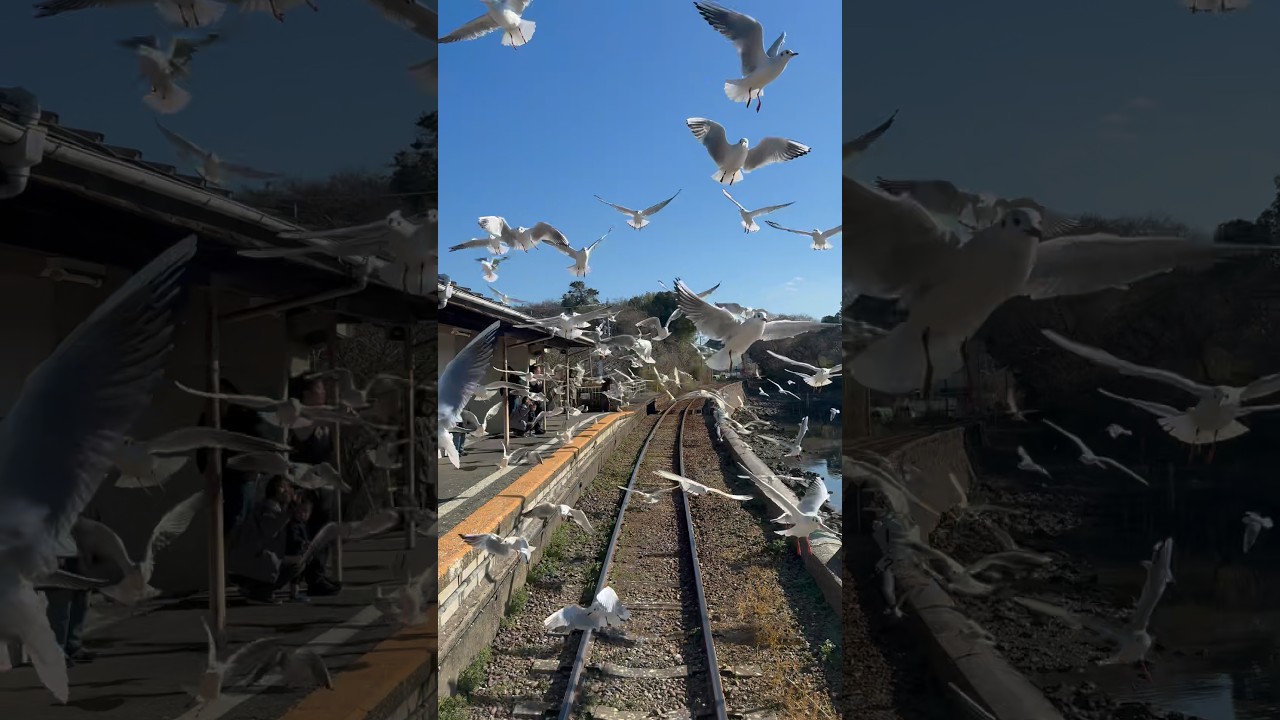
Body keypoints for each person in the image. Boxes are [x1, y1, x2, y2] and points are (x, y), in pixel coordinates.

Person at [285, 373, 342, 596]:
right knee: (306, 534)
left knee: (324, 531)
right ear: (307, 395)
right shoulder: (300, 417)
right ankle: (306, 578)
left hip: (322, 482)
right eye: (320, 391)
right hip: (304, 484)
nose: (324, 394)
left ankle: (317, 574)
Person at [196, 378, 269, 535]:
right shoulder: (210, 419)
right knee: (227, 530)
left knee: (236, 529)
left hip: (241, 481)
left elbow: (261, 447)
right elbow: (200, 450)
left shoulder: (243, 418)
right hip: (225, 482)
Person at [228, 477, 312, 603]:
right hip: (252, 562)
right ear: (273, 490)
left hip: (256, 561)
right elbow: (270, 529)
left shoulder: (277, 508)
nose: (286, 491)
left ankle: (255, 589)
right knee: (297, 563)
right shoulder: (268, 507)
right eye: (282, 487)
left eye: (288, 487)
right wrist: (290, 511)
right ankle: (259, 591)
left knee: (298, 560)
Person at [42, 529, 92, 667]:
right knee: (60, 607)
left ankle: (73, 646)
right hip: (57, 552)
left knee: (80, 602)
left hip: (78, 553)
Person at [283, 497, 336, 603]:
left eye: (306, 512)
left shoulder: (302, 524)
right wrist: (303, 542)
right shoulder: (294, 525)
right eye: (300, 511)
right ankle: (294, 594)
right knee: (296, 576)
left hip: (301, 554)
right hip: (295, 554)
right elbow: (294, 538)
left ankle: (295, 593)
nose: (303, 514)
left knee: (299, 576)